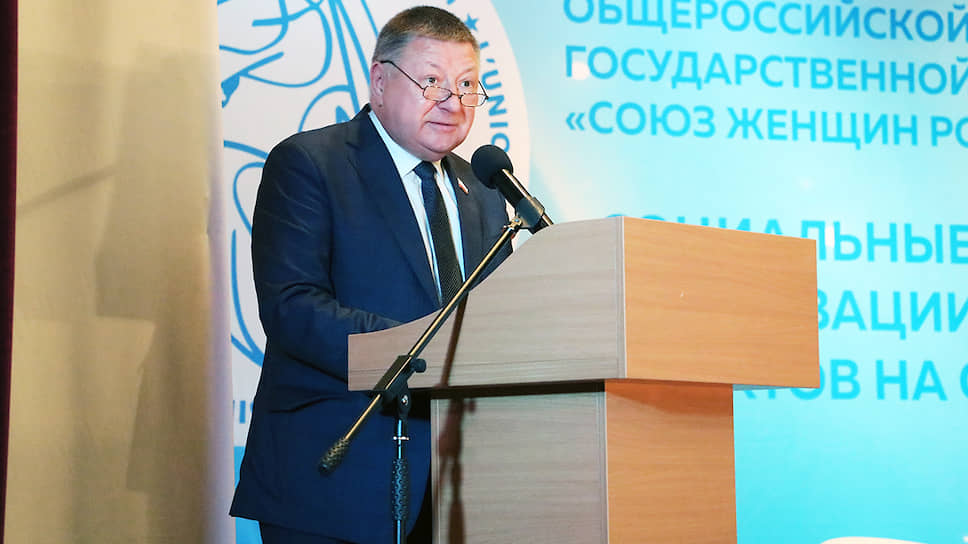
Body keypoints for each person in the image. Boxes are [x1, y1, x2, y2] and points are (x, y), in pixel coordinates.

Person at [230, 6, 512, 543]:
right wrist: (424, 353)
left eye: (466, 85)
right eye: (432, 82)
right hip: (335, 479)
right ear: (380, 82)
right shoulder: (311, 163)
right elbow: (293, 308)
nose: (452, 102)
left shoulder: (485, 192)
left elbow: (498, 318)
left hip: (461, 488)